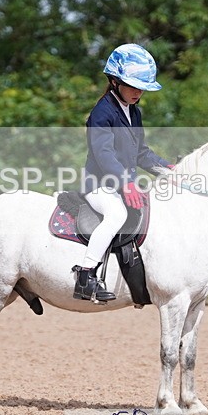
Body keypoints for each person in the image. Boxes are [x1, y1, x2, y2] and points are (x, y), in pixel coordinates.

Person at [72, 43, 174, 302]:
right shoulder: (102, 112)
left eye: (142, 87)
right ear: (114, 81)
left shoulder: (133, 112)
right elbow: (103, 154)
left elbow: (141, 153)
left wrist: (168, 169)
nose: (138, 92)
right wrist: (127, 182)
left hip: (120, 183)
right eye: (132, 85)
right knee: (116, 214)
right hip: (98, 184)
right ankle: (85, 274)